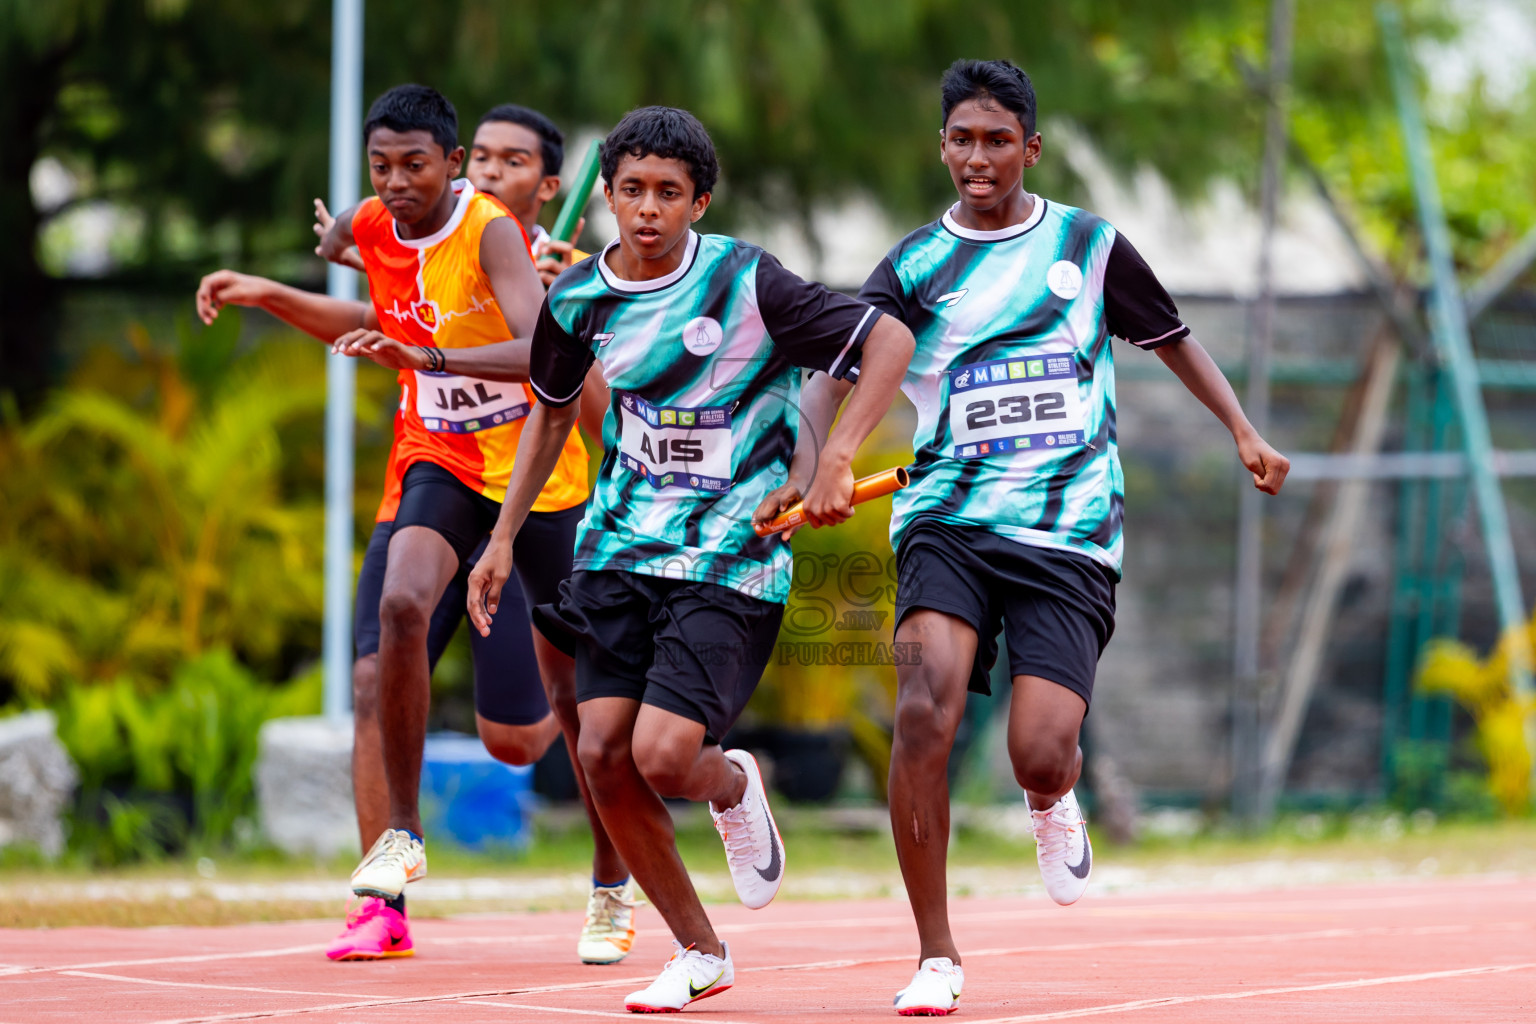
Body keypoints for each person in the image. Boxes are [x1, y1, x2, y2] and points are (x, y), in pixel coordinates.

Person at [805, 59, 1291, 1015]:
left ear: (1030, 148)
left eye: (997, 141)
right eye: (960, 140)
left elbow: (1174, 339)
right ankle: (935, 954)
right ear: (940, 146)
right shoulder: (911, 265)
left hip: (1067, 532)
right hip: (946, 519)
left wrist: (1241, 426)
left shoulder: (1088, 244)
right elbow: (834, 368)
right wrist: (817, 457)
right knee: (924, 705)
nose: (977, 158)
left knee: (1039, 747)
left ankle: (1049, 795)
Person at [465, 105, 915, 1014]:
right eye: (631, 190)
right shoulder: (580, 301)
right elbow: (553, 410)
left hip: (731, 557)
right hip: (621, 549)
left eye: (669, 193)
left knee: (666, 757)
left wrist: (830, 459)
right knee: (601, 752)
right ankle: (701, 951)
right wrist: (504, 535)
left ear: (698, 201)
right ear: (606, 196)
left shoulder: (749, 282)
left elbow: (888, 342)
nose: (647, 209)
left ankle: (732, 778)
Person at [196, 89, 635, 966]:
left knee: (531, 731)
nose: (491, 174)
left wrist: (551, 316)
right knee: (382, 647)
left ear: (548, 186)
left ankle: (611, 883)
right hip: (433, 467)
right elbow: (371, 298)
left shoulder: (532, 254)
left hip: (538, 492)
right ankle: (390, 872)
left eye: (514, 163)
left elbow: (582, 396)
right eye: (486, 160)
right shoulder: (389, 219)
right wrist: (286, 281)